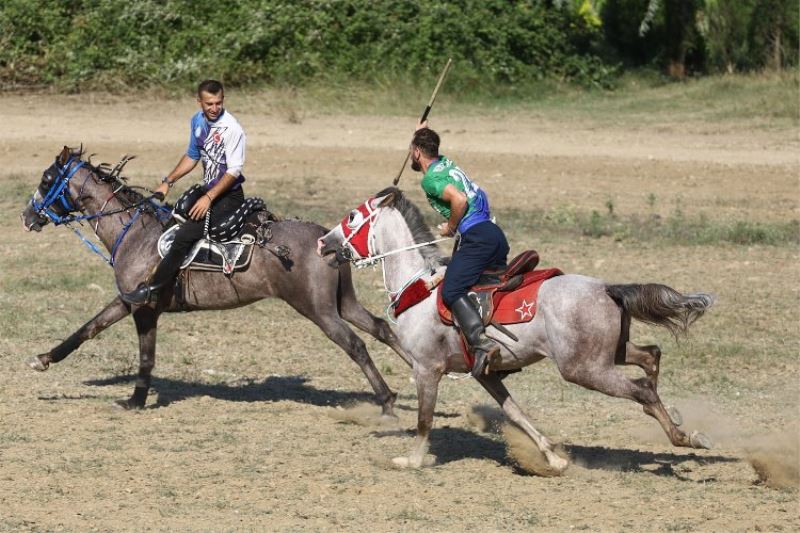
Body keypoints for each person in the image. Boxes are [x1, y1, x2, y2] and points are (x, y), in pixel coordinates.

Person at [121, 79, 248, 305]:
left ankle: (153, 290)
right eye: (209, 103)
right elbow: (192, 156)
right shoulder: (198, 121)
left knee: (184, 236)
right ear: (199, 101)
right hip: (208, 190)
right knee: (172, 218)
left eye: (218, 103)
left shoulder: (232, 128)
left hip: (228, 196)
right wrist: (167, 182)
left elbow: (234, 171)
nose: (214, 108)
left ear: (223, 100)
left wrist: (209, 198)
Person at [410, 124, 510, 378]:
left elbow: (459, 200)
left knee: (452, 290)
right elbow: (432, 152)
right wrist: (423, 132)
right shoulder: (446, 163)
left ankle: (483, 344)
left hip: (476, 237)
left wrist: (450, 227)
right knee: (480, 290)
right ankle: (503, 359)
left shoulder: (430, 180)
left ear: (416, 153)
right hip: (494, 234)